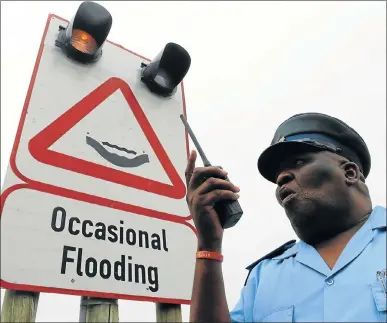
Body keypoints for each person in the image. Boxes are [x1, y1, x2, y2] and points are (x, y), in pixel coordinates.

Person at [185, 112, 386, 322]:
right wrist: (208, 245)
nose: (281, 178)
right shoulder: (264, 277)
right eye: (277, 176)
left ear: (350, 173)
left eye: (299, 162)